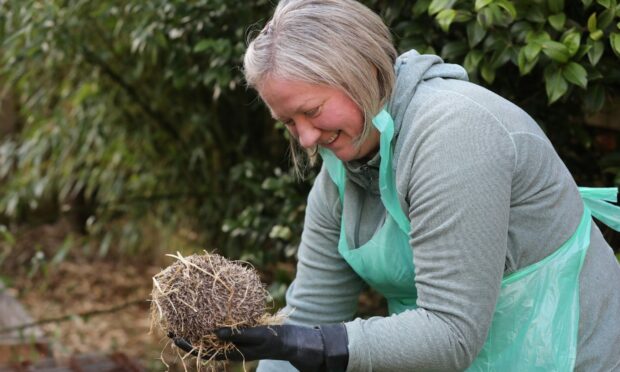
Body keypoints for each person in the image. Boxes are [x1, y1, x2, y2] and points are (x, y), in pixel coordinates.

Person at [171, 0, 620, 370]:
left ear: (361, 73)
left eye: (311, 111)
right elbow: (309, 315)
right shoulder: (340, 179)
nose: (305, 138)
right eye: (288, 121)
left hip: (566, 357)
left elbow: (450, 332)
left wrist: (312, 345)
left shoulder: (454, 134)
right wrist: (276, 343)